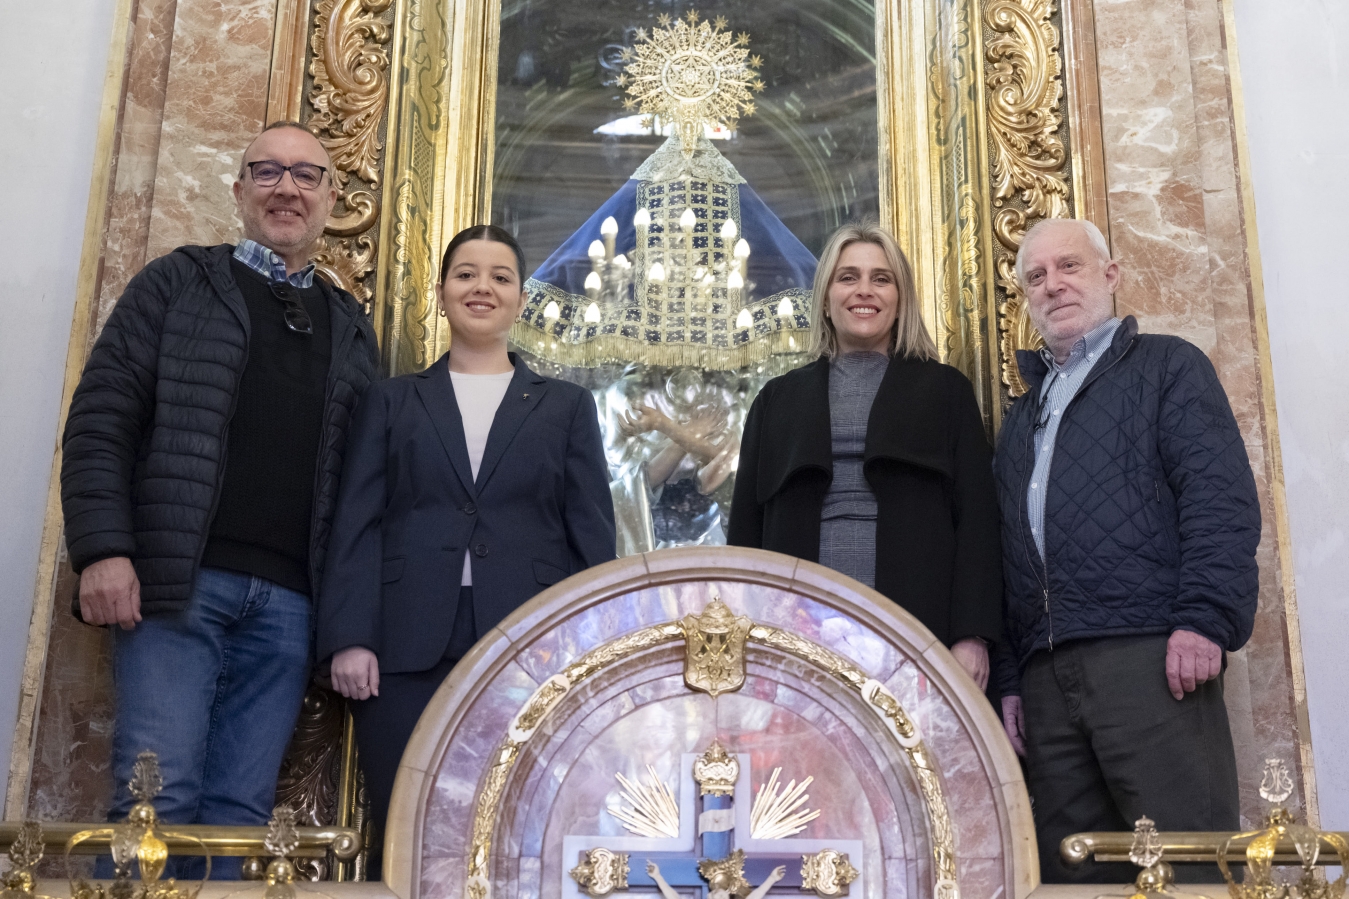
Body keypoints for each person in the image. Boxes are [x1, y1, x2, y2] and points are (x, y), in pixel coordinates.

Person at [59, 122, 381, 875]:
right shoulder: (179, 282)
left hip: (291, 610)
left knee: (238, 822)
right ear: (238, 191)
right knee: (154, 802)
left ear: (331, 198)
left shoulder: (352, 326)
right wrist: (103, 550)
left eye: (307, 176)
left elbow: (365, 485)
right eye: (266, 171)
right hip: (177, 588)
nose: (286, 188)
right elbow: (101, 419)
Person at [316, 224, 617, 860]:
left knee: (515, 832)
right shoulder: (392, 400)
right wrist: (350, 637)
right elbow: (357, 523)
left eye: (500, 277)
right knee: (405, 829)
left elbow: (591, 537)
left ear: (521, 299)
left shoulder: (566, 407)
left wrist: (591, 652)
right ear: (443, 291)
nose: (482, 287)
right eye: (466, 274)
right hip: (400, 649)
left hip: (530, 650)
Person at [993, 218, 1260, 883]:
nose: (1052, 285)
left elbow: (1217, 499)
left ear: (1109, 276)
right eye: (1036, 276)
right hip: (1046, 683)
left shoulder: (1168, 366)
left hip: (1148, 662)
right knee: (1068, 878)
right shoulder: (1021, 419)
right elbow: (999, 552)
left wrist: (1203, 617)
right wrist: (1009, 677)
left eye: (1069, 267)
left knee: (1187, 866)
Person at [727, 222, 1002, 689]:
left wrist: (972, 637)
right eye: (848, 276)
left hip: (919, 626)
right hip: (798, 629)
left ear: (900, 298)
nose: (865, 291)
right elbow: (745, 533)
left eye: (882, 278)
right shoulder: (777, 400)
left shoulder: (945, 391)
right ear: (827, 298)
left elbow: (978, 522)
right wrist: (745, 633)